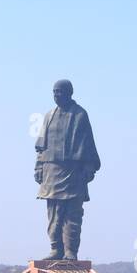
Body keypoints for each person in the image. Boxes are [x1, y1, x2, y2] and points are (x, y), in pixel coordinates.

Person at [34, 79, 100, 260]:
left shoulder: (80, 114)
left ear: (69, 93)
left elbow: (88, 144)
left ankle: (71, 251)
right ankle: (56, 248)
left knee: (72, 213)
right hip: (51, 172)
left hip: (73, 172)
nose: (56, 95)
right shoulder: (48, 116)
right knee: (54, 213)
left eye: (60, 92)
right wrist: (39, 166)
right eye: (54, 92)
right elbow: (41, 147)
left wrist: (88, 167)